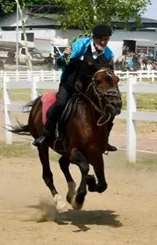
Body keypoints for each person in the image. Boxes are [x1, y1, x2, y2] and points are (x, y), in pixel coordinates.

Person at [32, 24, 118, 152]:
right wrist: (64, 56)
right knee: (60, 103)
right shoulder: (79, 45)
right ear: (93, 37)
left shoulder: (109, 54)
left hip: (89, 89)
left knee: (110, 108)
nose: (103, 42)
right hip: (70, 83)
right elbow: (60, 64)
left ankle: (104, 140)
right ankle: (46, 134)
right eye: (100, 38)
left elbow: (108, 75)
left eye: (106, 39)